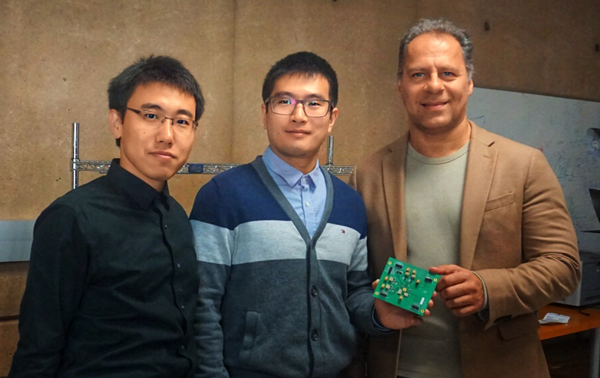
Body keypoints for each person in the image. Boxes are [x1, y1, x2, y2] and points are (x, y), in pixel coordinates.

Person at [349, 18, 581, 378]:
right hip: (396, 369)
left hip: (501, 367)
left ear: (470, 83)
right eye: (418, 75)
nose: (433, 86)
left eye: (448, 73)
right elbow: (353, 281)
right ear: (400, 86)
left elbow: (563, 265)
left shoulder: (522, 164)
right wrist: (375, 309)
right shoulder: (369, 172)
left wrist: (488, 288)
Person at [190, 51, 429, 378]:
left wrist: (379, 313)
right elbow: (201, 306)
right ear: (264, 113)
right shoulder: (222, 195)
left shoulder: (350, 203)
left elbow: (352, 291)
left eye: (314, 104)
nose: (298, 115)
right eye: (284, 102)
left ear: (332, 118)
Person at [9, 55, 205, 378]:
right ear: (117, 122)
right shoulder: (71, 219)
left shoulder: (178, 218)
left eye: (182, 121)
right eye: (152, 115)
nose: (167, 135)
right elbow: (38, 349)